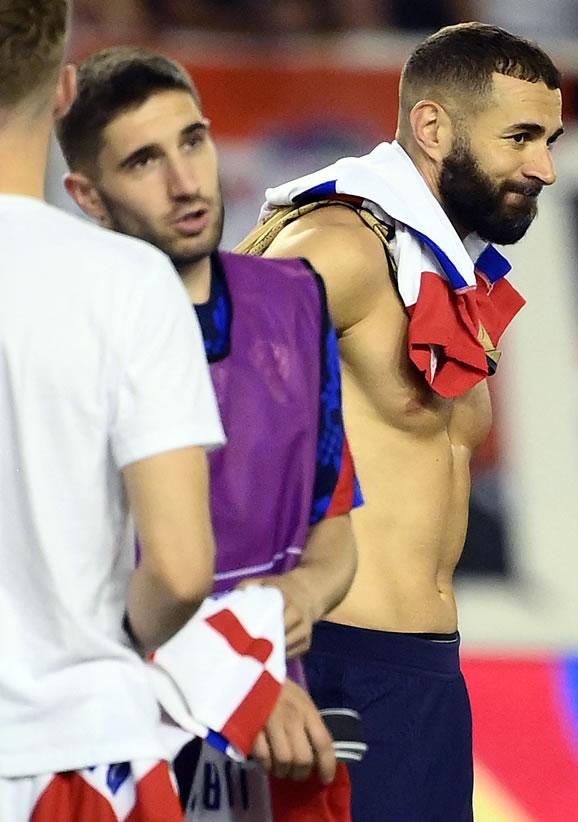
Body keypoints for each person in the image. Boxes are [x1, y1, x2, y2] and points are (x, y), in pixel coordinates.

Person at [234, 21, 562, 820]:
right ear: (431, 127)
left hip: (426, 681)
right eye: (520, 136)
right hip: (326, 672)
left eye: (550, 139)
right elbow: (210, 438)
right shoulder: (335, 246)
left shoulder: (434, 267)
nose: (544, 167)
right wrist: (253, 664)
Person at [56, 47, 362, 819]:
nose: (186, 181)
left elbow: (333, 544)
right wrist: (230, 680)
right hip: (108, 745)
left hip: (278, 743)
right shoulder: (57, 336)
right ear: (87, 195)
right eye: (144, 161)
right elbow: (55, 598)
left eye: (193, 141)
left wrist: (296, 596)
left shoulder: (296, 303)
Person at [0, 1, 224, 819]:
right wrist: (113, 644)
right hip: (80, 751)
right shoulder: (127, 285)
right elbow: (179, 565)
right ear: (63, 90)